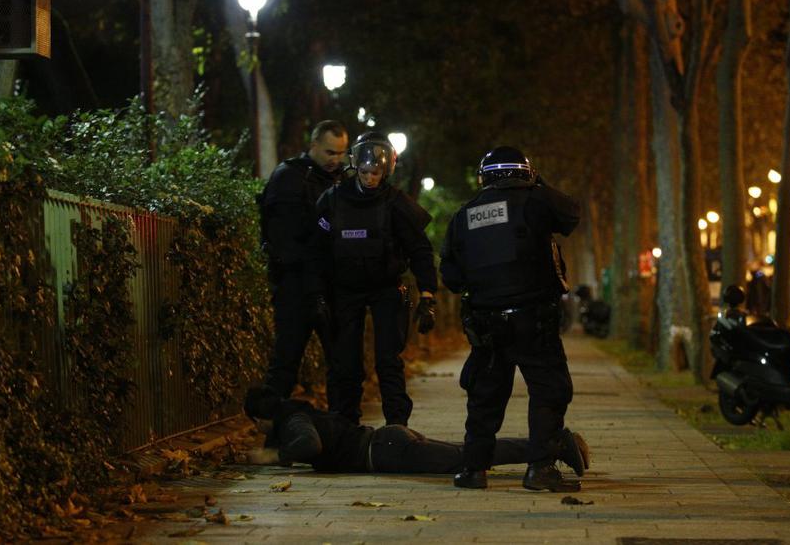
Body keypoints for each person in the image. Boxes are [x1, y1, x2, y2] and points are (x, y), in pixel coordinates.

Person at [439, 146, 582, 492]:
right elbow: (571, 215)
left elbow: (452, 276)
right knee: (549, 391)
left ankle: (474, 470)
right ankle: (540, 469)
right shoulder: (537, 201)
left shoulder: (465, 214)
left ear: (484, 177)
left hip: (487, 324)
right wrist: (539, 184)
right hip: (534, 319)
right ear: (526, 173)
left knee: (485, 396)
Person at [307, 132, 437, 427]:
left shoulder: (396, 203)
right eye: (365, 172)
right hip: (345, 289)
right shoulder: (334, 200)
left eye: (376, 173)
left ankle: (397, 427)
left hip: (386, 288)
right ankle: (344, 425)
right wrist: (317, 294)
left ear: (386, 170)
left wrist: (428, 295)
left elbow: (419, 250)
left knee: (388, 361)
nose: (370, 179)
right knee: (345, 362)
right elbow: (317, 250)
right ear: (356, 167)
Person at [242, 385, 590, 476]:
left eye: (255, 422)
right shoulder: (296, 413)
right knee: (468, 452)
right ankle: (549, 444)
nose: (256, 429)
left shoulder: (293, 421)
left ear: (262, 416)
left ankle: (555, 445)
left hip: (387, 451)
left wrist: (272, 456)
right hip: (388, 443)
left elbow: (310, 445)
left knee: (467, 457)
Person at [258, 120, 349, 404]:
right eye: (330, 152)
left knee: (341, 362)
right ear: (314, 145)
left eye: (340, 153)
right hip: (295, 284)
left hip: (329, 284)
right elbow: (283, 237)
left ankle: (341, 422)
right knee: (286, 360)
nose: (336, 159)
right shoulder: (289, 177)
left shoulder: (340, 181)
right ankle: (272, 422)